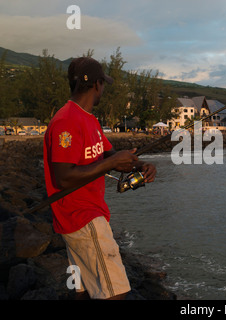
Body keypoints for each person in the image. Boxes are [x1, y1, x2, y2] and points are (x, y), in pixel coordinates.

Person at [43, 57, 157, 300]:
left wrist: (140, 164)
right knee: (114, 293)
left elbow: (110, 155)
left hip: (80, 219)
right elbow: (63, 178)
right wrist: (112, 163)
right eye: (103, 83)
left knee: (84, 292)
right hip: (82, 218)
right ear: (97, 84)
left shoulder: (89, 120)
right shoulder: (66, 121)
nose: (103, 88)